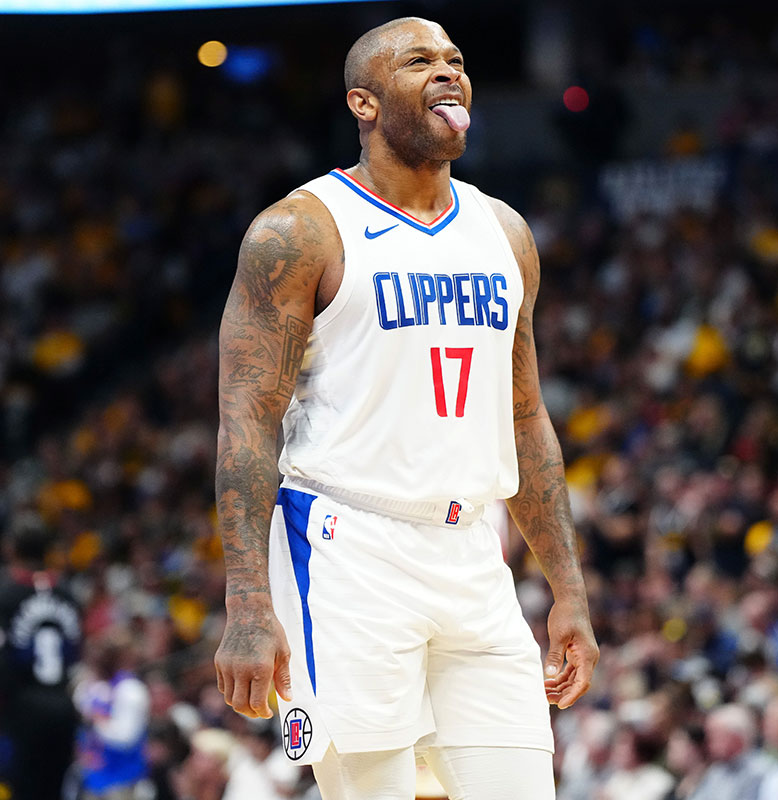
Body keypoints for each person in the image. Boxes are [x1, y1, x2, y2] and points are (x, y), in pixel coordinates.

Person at [211, 15, 598, 799]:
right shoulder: (298, 231)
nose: (448, 72)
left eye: (456, 59)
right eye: (420, 61)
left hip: (472, 556)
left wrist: (570, 593)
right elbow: (246, 422)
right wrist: (249, 605)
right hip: (346, 548)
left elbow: (525, 420)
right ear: (363, 102)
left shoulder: (504, 231)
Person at [0, 515, 82, 800]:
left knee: (13, 790)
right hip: (63, 707)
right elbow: (76, 652)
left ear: (9, 548)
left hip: (20, 710)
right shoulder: (68, 593)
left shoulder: (4, 595)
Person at [75, 633, 152, 800]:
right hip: (92, 776)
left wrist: (97, 719)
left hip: (122, 779)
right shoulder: (90, 687)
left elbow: (126, 738)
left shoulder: (131, 690)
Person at [687, 704, 769, 800]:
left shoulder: (758, 771)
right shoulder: (716, 770)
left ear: (735, 737)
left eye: (714, 734)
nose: (708, 742)